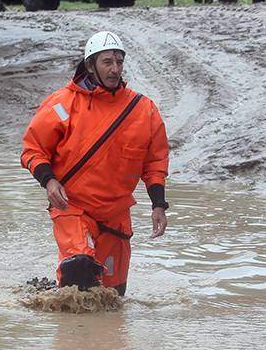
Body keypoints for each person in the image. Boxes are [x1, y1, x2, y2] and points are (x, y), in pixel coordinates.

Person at [20, 31, 170, 297]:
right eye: (107, 62)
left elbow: (155, 161)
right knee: (80, 270)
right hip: (72, 208)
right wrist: (49, 180)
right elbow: (33, 150)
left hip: (116, 216)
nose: (115, 69)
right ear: (90, 65)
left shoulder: (143, 109)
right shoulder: (62, 104)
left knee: (113, 297)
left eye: (119, 62)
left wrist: (158, 204)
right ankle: (74, 335)